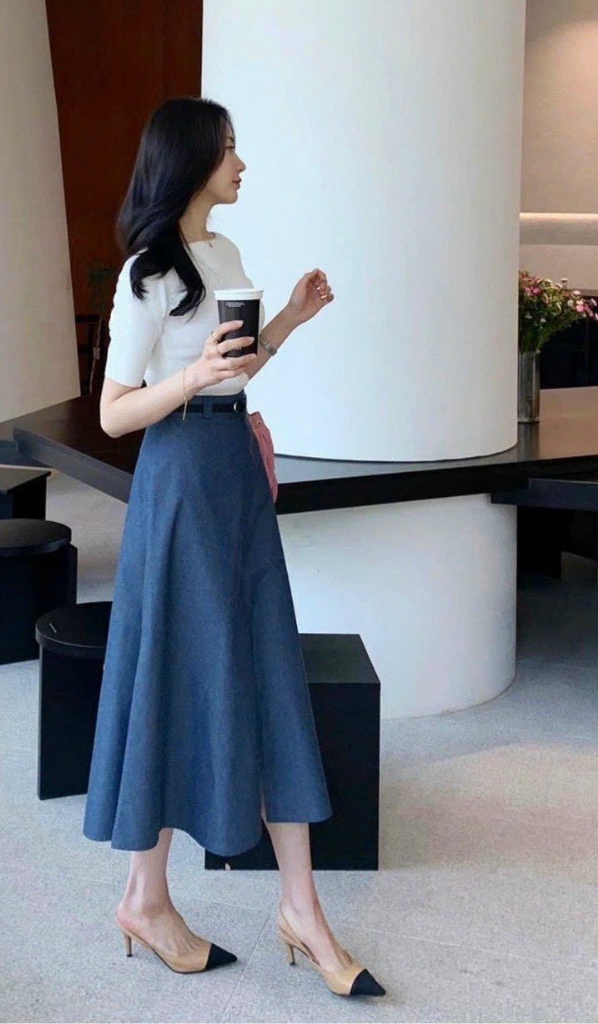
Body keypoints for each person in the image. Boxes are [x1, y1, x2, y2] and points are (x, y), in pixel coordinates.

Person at [81, 97, 385, 999]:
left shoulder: (224, 254)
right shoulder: (147, 272)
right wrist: (193, 377)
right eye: (228, 149)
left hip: (232, 474)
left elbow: (235, 368)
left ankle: (299, 907)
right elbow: (114, 412)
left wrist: (285, 320)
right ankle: (146, 897)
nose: (241, 163)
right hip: (178, 482)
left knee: (263, 668)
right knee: (177, 672)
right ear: (190, 161)